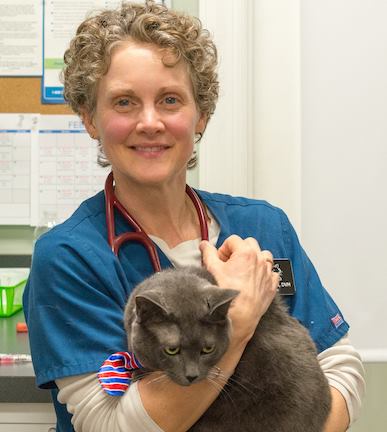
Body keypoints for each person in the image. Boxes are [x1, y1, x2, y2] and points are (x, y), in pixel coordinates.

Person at [23, 2, 365, 431]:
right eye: (125, 102)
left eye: (169, 100)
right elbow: (109, 426)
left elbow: (341, 369)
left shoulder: (263, 227)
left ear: (200, 114)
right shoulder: (69, 257)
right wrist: (238, 324)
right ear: (90, 118)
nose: (150, 122)